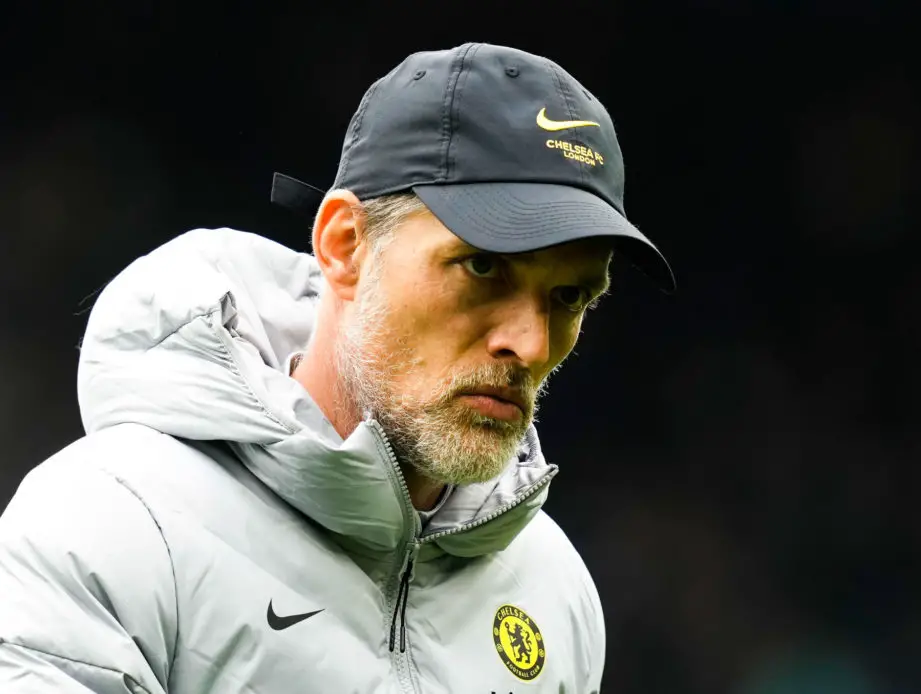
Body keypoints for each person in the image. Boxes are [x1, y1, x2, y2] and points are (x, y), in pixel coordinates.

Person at [0, 42, 673, 693]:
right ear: (344, 245)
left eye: (570, 297)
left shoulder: (554, 590)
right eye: (482, 267)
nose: (530, 343)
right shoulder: (107, 525)